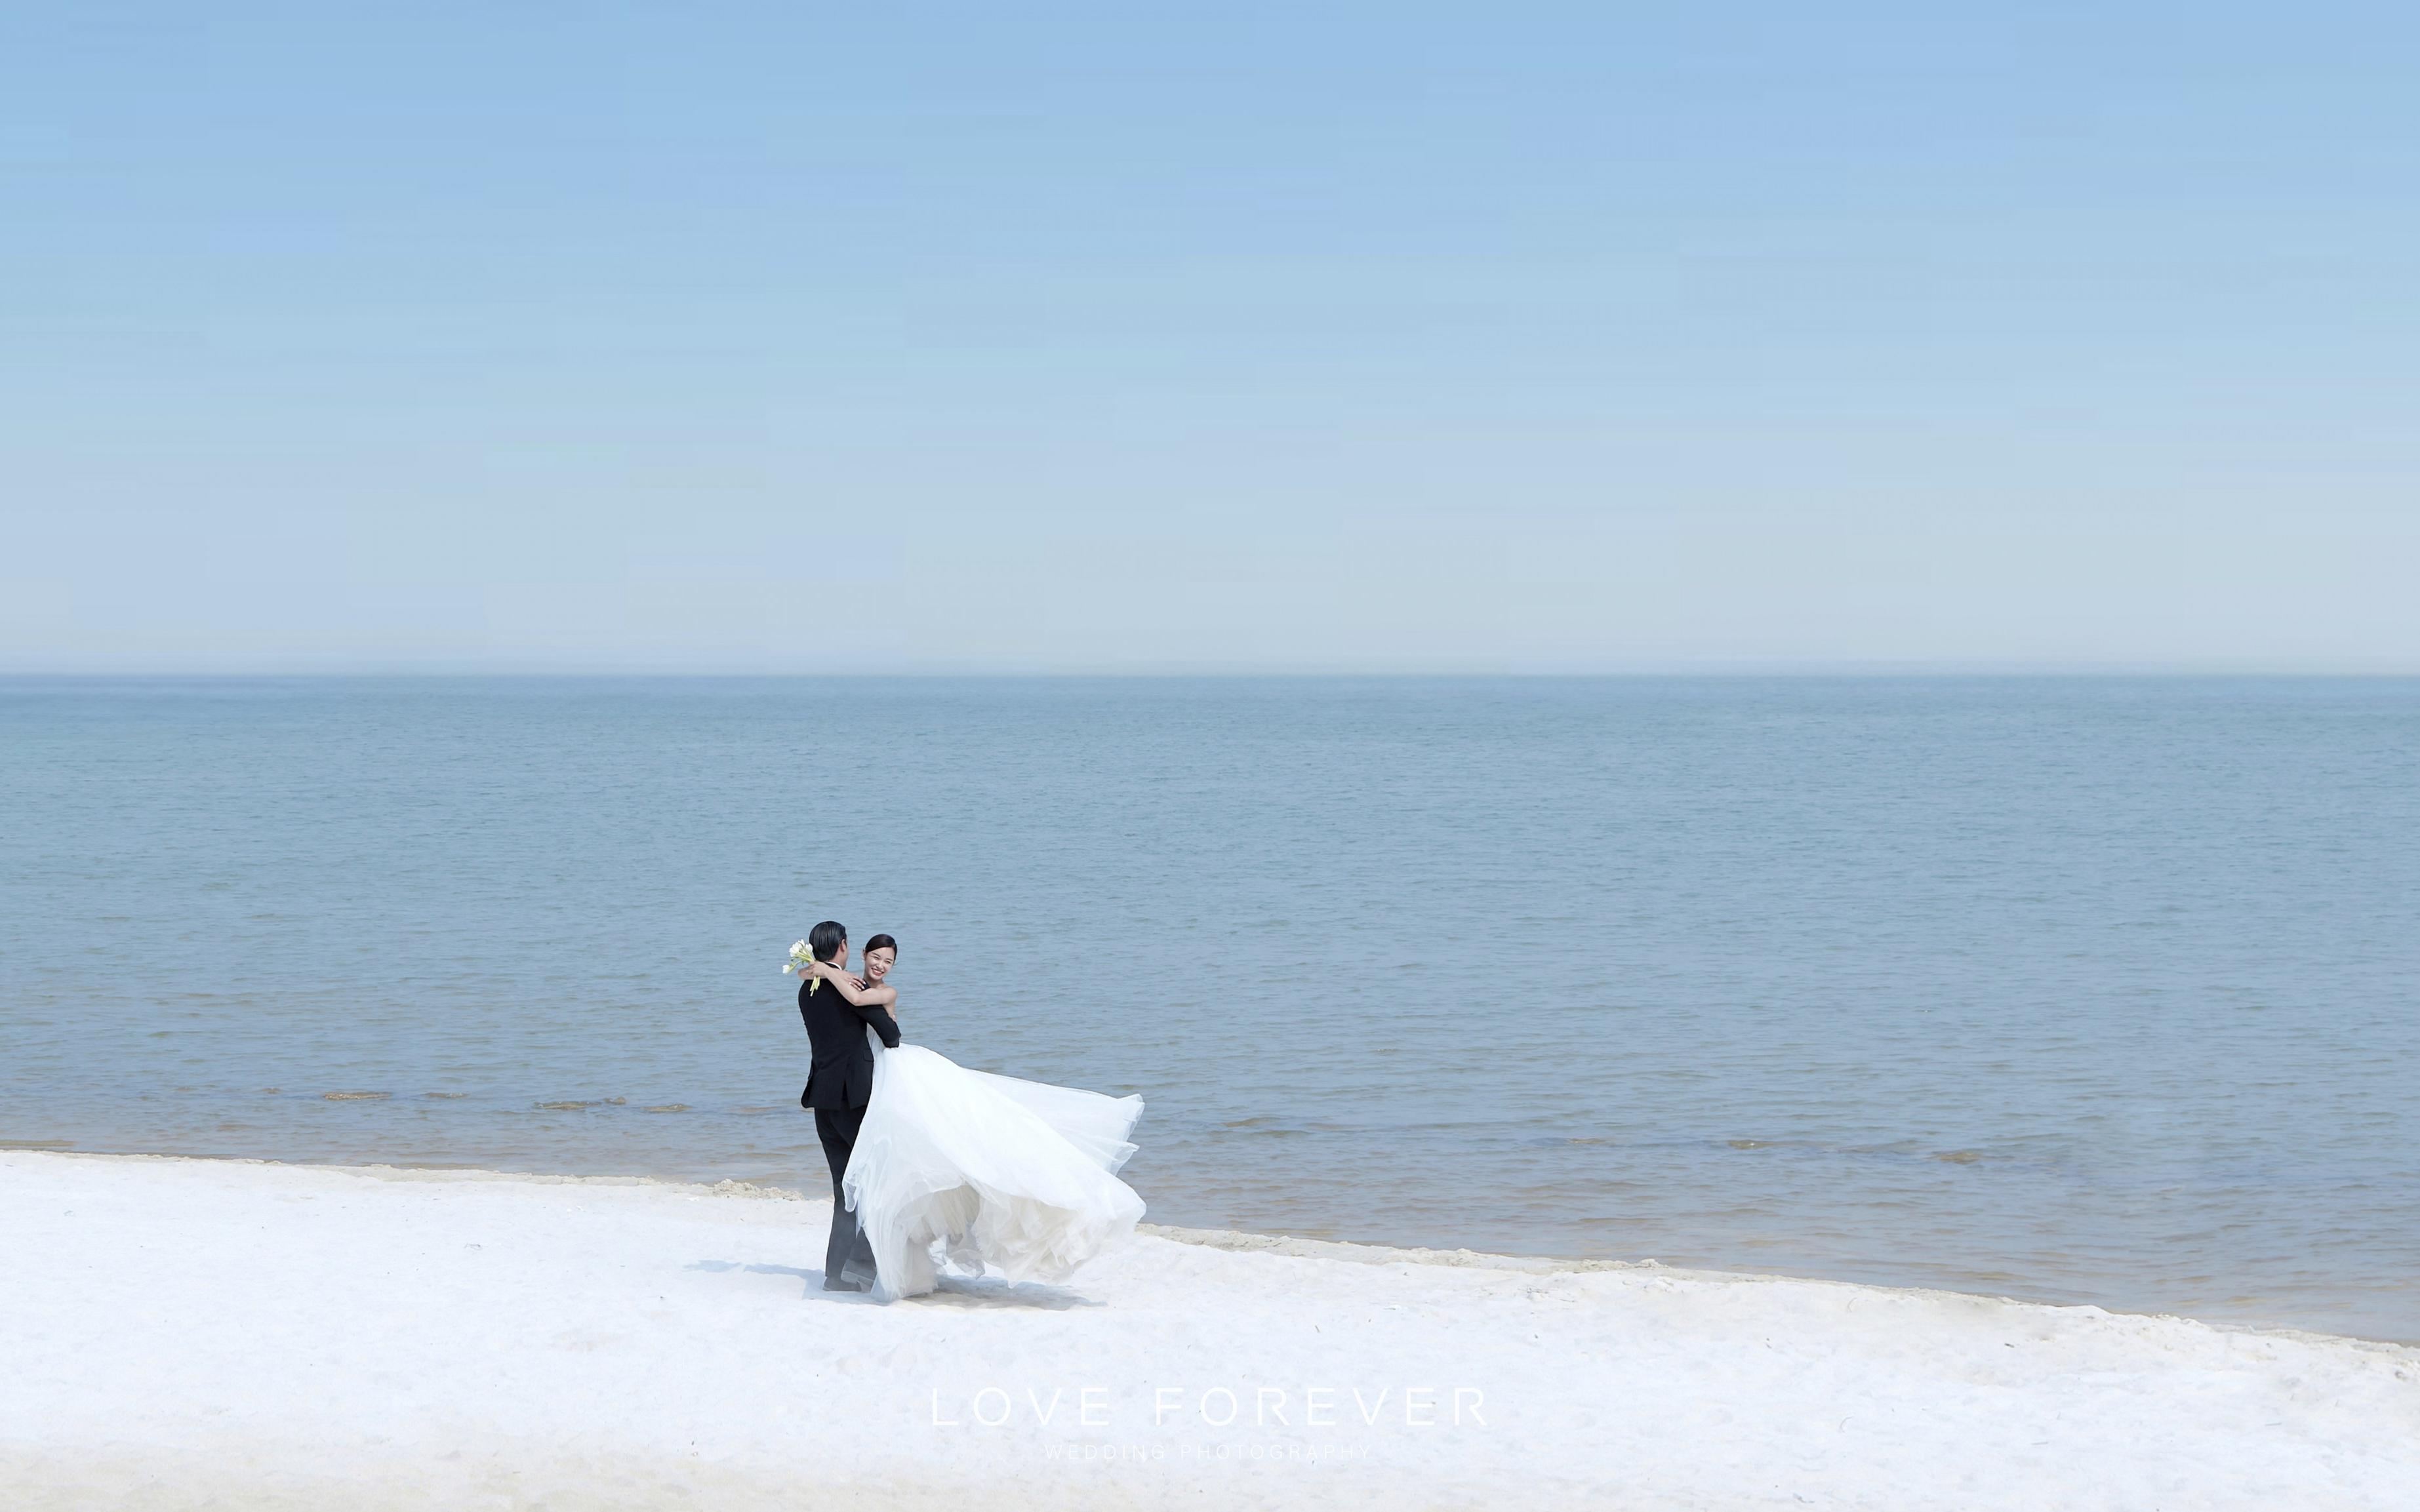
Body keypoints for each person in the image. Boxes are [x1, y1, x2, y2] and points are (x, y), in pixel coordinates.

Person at [803, 934, 1144, 1300]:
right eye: (876, 957)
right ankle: (859, 1268)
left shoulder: (880, 992)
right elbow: (815, 977)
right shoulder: (845, 979)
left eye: (888, 961)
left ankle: (858, 1268)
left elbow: (874, 1020)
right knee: (881, 1178)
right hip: (874, 1083)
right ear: (860, 953)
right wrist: (825, 970)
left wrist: (824, 968)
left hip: (896, 1074)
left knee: (902, 1168)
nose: (880, 965)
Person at [794, 920, 899, 1293]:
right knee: (879, 1184)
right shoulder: (848, 987)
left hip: (824, 1103)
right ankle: (860, 1267)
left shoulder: (808, 989)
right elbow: (891, 1036)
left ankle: (835, 1275)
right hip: (855, 1101)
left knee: (845, 1191)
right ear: (843, 946)